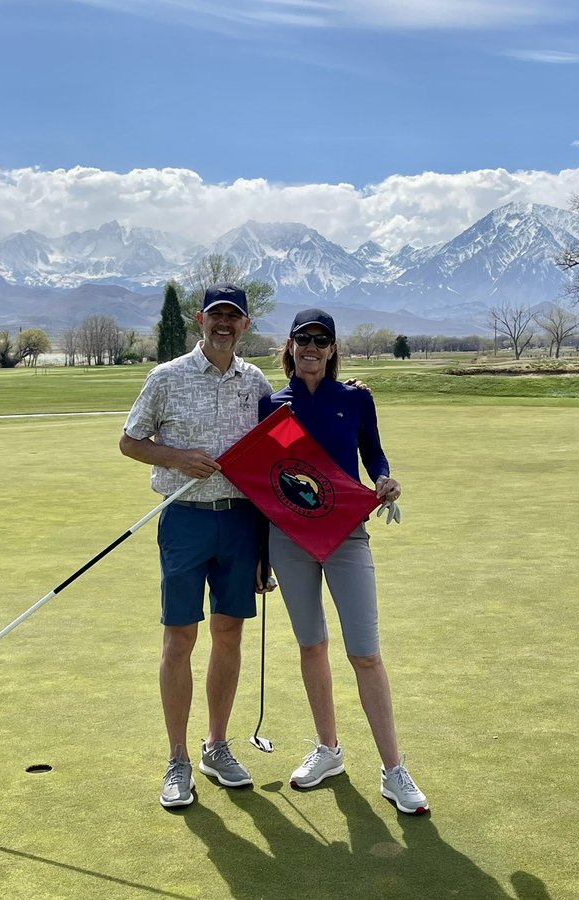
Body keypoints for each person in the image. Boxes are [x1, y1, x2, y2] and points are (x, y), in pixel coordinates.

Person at [257, 307, 428, 815]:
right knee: (311, 644)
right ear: (290, 346)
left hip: (346, 534)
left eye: (321, 340)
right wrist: (259, 558)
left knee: (365, 653)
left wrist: (384, 478)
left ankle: (393, 769)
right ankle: (328, 751)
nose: (311, 347)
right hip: (288, 539)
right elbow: (268, 479)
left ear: (332, 349)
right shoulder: (274, 405)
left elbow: (372, 453)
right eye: (302, 339)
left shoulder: (353, 398)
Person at [120, 283, 274, 809]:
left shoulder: (256, 382)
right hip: (183, 521)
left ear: (246, 325)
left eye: (234, 317)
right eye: (216, 315)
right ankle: (178, 758)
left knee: (228, 634)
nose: (224, 324)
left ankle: (216, 746)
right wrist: (176, 458)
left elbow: (282, 443)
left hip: (239, 523)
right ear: (199, 320)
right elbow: (129, 440)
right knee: (179, 638)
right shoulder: (166, 377)